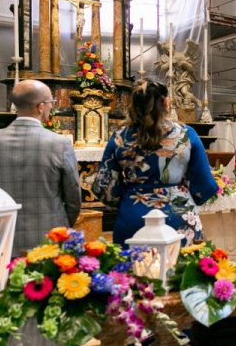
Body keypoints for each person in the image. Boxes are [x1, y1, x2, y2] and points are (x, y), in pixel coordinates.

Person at [92, 78, 218, 244]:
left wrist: (130, 198)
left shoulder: (119, 137)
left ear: (134, 104)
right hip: (178, 217)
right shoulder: (186, 134)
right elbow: (205, 185)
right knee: (182, 267)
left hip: (133, 218)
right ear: (166, 102)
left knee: (133, 268)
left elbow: (105, 188)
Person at [0, 80, 81, 253]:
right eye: (51, 103)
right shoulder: (59, 144)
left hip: (1, 236)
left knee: (5, 280)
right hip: (49, 237)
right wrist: (62, 224)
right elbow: (73, 198)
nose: (51, 108)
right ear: (40, 107)